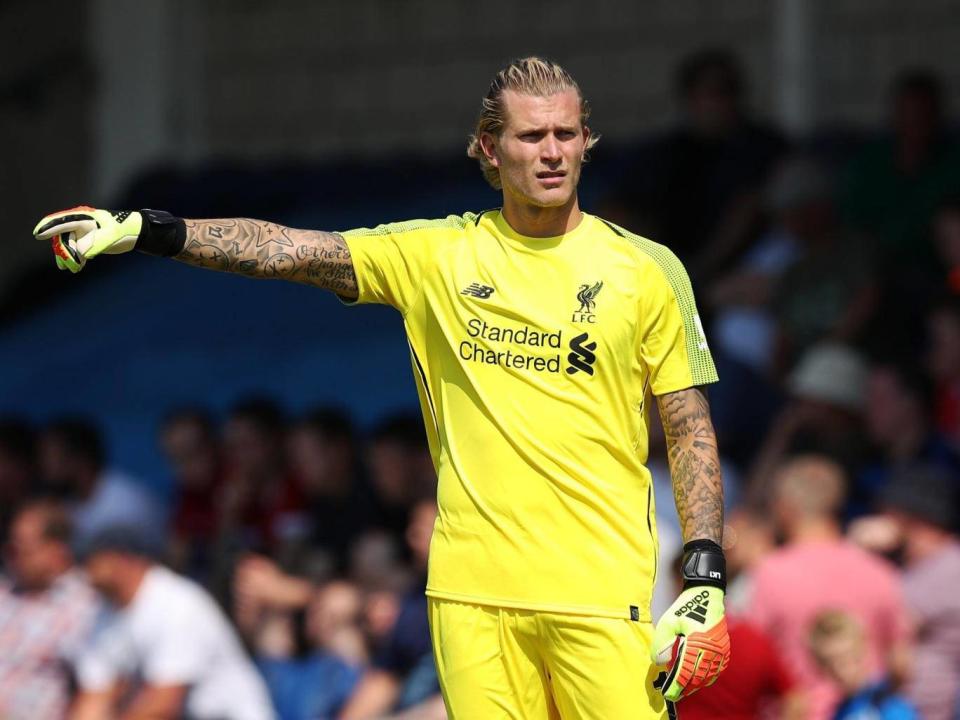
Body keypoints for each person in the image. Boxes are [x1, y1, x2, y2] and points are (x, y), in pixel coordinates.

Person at [34, 56, 730, 718]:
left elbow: (688, 422)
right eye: (530, 135)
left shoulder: (646, 269)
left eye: (566, 134)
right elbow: (295, 252)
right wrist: (152, 231)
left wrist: (702, 572)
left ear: (586, 142)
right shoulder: (436, 255)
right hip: (471, 595)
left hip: (603, 591)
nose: (551, 152)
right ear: (489, 149)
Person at [748, 455, 910, 720]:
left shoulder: (769, 573)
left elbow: (754, 662)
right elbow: (901, 661)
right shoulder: (880, 571)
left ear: (785, 508)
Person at [73, 525, 276, 720]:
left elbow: (162, 708)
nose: (84, 569)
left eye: (92, 559)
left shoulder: (177, 604)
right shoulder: (103, 613)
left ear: (124, 558)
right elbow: (94, 696)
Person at [0, 500, 101, 720]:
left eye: (22, 550)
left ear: (56, 550)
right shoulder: (4, 592)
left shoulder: (85, 605)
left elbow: (95, 688)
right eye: (9, 548)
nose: (11, 557)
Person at [38, 417, 166, 551]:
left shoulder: (125, 504)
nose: (43, 465)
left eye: (49, 456)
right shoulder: (64, 503)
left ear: (79, 458)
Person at [808, 610, 917, 720]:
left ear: (861, 651)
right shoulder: (840, 710)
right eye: (829, 664)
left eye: (844, 659)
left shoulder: (885, 702)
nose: (839, 670)